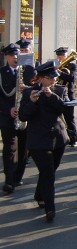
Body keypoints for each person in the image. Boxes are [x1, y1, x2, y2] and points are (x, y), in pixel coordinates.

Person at [18, 61, 70, 222]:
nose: (54, 80)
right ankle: (50, 208)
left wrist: (51, 96)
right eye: (50, 78)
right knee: (48, 174)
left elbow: (65, 108)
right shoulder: (29, 93)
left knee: (51, 170)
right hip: (39, 141)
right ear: (40, 79)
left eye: (54, 77)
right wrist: (32, 103)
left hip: (58, 139)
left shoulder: (60, 90)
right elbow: (22, 116)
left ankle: (39, 194)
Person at [1, 43, 36, 194]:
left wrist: (28, 89)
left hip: (25, 115)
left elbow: (38, 89)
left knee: (23, 149)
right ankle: (9, 179)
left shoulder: (28, 71)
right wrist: (8, 109)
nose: (15, 57)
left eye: (17, 55)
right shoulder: (1, 73)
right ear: (6, 57)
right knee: (10, 148)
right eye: (12, 55)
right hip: (7, 116)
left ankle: (17, 175)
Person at [54, 47, 77, 146]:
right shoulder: (56, 65)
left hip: (68, 94)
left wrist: (59, 72)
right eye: (59, 56)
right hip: (57, 94)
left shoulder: (72, 66)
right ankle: (59, 138)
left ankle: (73, 139)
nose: (60, 58)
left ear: (66, 55)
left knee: (70, 118)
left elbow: (72, 78)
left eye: (62, 55)